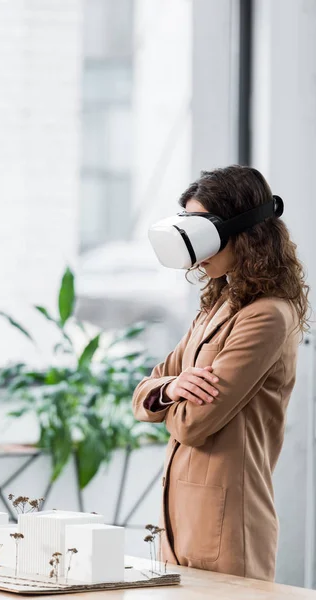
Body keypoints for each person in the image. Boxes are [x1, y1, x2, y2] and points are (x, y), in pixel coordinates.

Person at [132, 165, 311, 581]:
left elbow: (194, 425)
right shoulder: (217, 306)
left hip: (227, 526)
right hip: (179, 521)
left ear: (245, 231)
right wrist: (173, 386)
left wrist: (167, 399)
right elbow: (145, 391)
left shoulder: (267, 315)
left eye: (203, 232)